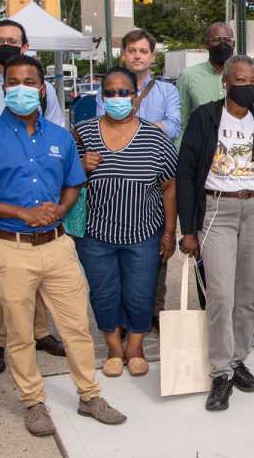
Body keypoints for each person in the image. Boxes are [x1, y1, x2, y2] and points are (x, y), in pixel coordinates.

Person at [0, 55, 126, 436]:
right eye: (13, 82)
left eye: (29, 82)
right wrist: (20, 212)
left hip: (58, 246)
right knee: (18, 332)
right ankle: (33, 402)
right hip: (11, 247)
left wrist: (62, 208)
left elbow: (74, 181)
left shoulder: (59, 137)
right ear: (4, 88)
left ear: (42, 88)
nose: (21, 89)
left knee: (77, 326)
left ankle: (89, 395)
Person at [0, 19, 68, 376]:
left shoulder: (43, 88)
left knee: (37, 271)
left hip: (39, 195)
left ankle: (39, 332)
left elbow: (56, 137)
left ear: (25, 45)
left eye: (11, 40)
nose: (5, 45)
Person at [177, 55, 254, 411]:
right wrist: (188, 229)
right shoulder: (205, 118)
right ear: (225, 82)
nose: (248, 87)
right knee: (221, 295)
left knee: (247, 296)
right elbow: (186, 174)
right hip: (218, 211)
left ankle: (239, 359)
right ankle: (221, 371)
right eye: (241, 80)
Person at [74, 68, 178, 379]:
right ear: (101, 96)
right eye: (110, 92)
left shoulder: (154, 136)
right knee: (104, 293)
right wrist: (80, 166)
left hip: (144, 232)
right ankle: (113, 349)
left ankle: (135, 348)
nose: (117, 98)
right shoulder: (83, 132)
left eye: (124, 92)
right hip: (95, 234)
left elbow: (169, 184)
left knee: (139, 292)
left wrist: (170, 232)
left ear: (135, 96)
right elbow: (63, 178)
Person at [95, 29, 182, 330]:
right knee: (116, 253)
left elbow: (172, 127)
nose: (137, 55)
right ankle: (120, 315)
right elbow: (100, 128)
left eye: (143, 51)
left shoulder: (166, 91)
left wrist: (134, 129)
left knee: (156, 249)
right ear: (124, 54)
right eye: (131, 50)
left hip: (155, 179)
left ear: (152, 56)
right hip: (115, 182)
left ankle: (153, 311)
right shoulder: (107, 88)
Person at [179, 22, 235, 126]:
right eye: (216, 40)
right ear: (206, 45)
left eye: (227, 40)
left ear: (234, 45)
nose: (222, 45)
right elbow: (181, 121)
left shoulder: (243, 77)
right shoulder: (188, 76)